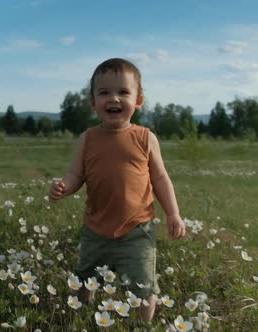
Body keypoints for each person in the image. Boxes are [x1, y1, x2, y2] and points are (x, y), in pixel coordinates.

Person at [48, 58, 186, 321]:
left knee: (143, 285)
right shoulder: (88, 138)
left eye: (123, 92)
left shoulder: (145, 137)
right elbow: (77, 174)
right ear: (93, 103)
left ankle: (142, 324)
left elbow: (160, 178)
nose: (114, 98)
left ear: (138, 101)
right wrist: (65, 187)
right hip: (95, 230)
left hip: (137, 229)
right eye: (104, 92)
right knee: (85, 280)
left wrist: (173, 213)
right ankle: (83, 317)